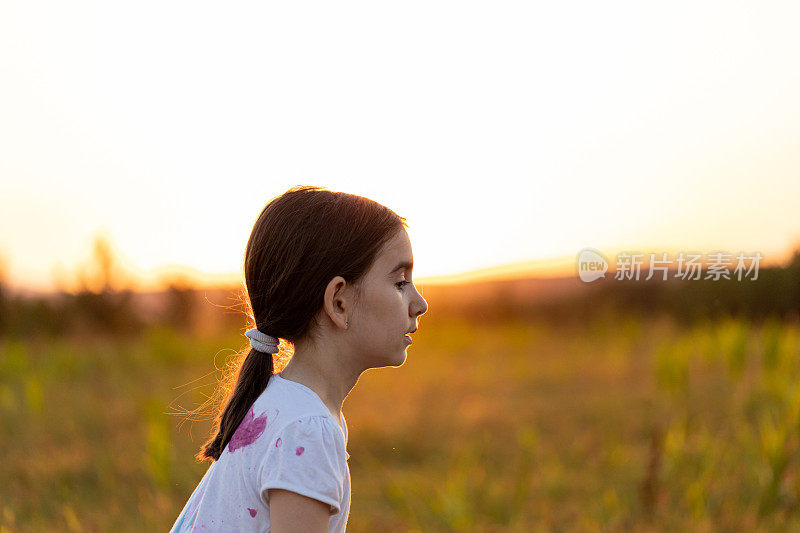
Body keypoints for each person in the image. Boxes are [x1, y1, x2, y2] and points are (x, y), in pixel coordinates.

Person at [170, 185, 428, 532]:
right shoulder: (307, 428)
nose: (419, 303)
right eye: (400, 282)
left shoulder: (285, 404)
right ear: (339, 302)